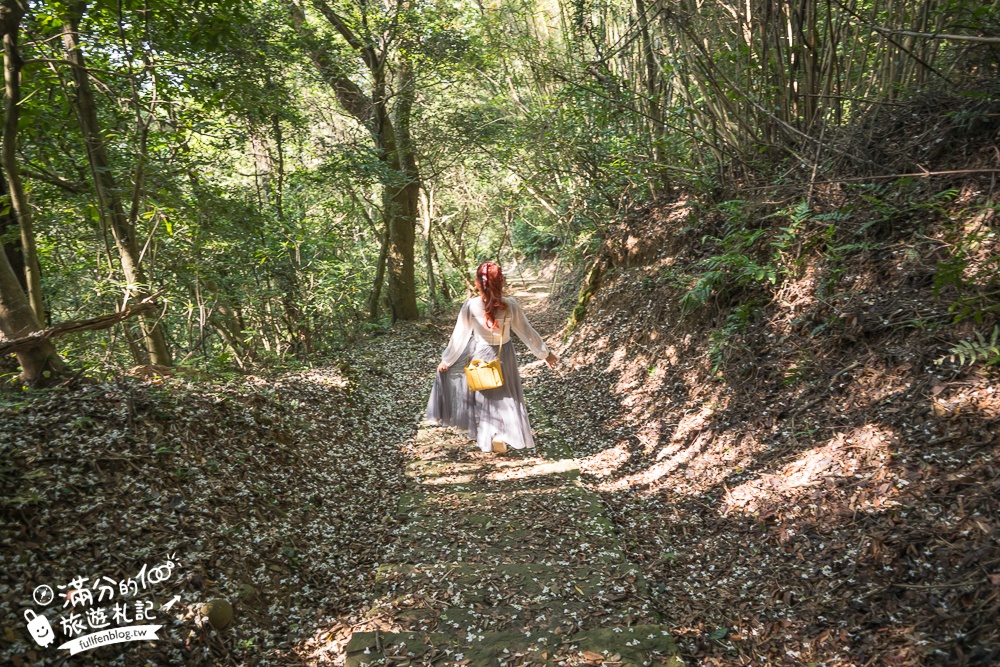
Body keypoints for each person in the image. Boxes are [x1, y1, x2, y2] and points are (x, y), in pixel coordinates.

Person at [426, 261, 558, 453]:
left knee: (485, 396)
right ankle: (502, 434)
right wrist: (545, 354)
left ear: (479, 282)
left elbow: (460, 335)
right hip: (504, 353)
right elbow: (525, 331)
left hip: (481, 354)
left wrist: (447, 360)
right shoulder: (510, 305)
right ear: (500, 281)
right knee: (507, 394)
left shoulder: (471, 305)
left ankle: (492, 434)